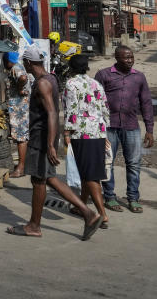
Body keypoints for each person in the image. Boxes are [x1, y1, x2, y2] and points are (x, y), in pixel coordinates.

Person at [6, 46, 101, 240]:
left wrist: (50, 144)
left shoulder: (42, 84)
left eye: (25, 63)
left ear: (28, 63)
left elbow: (51, 113)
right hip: (44, 137)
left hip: (41, 138)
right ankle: (87, 213)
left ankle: (34, 225)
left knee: (38, 180)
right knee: (47, 178)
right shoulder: (50, 78)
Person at [94, 45, 155, 214]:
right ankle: (110, 197)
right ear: (116, 58)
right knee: (108, 163)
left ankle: (133, 198)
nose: (130, 60)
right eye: (126, 57)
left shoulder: (139, 77)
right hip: (108, 126)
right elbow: (93, 100)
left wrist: (149, 129)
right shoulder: (104, 74)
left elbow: (146, 103)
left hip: (131, 126)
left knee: (134, 164)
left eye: (131, 57)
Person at [63, 54, 111, 230]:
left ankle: (102, 214)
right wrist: (104, 131)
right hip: (98, 131)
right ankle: (80, 206)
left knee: (91, 175)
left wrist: (66, 132)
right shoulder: (96, 83)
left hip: (82, 133)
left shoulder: (71, 84)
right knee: (87, 172)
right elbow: (105, 107)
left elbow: (71, 109)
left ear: (71, 67)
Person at [3, 51, 31, 178]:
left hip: (19, 109)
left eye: (4, 61)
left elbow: (23, 78)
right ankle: (23, 164)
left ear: (8, 61)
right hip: (20, 108)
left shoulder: (15, 68)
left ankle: (21, 168)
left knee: (21, 138)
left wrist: (20, 88)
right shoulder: (19, 67)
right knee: (22, 138)